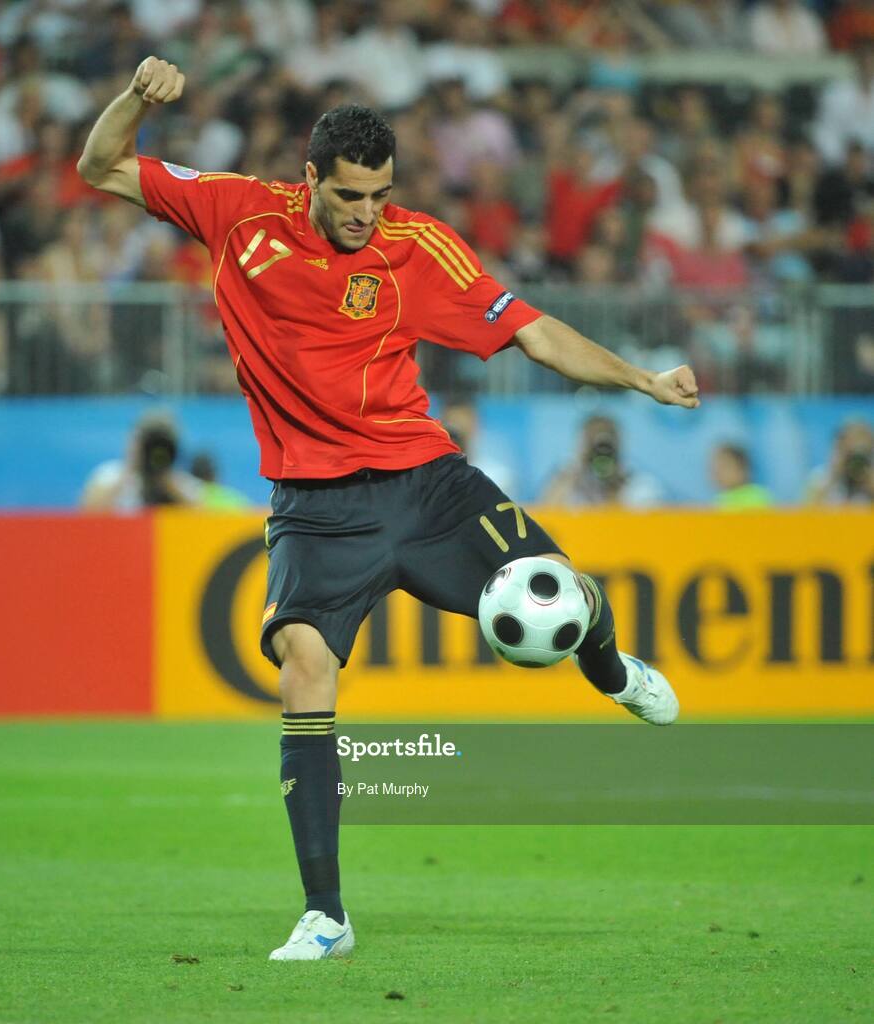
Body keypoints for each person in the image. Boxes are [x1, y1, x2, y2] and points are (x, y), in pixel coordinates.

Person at [77, 56, 701, 961]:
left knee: (560, 589)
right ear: (308, 182)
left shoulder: (418, 245)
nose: (364, 213)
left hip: (426, 484)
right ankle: (325, 914)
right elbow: (100, 165)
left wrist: (640, 377)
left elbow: (530, 329)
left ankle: (609, 672)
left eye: (378, 195)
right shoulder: (236, 211)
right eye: (347, 196)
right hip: (314, 503)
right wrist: (136, 97)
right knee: (302, 668)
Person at [80, 410, 202, 510]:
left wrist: (167, 482)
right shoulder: (108, 476)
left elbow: (209, 522)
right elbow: (88, 517)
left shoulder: (184, 484)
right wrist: (132, 466)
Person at [541, 415, 665, 507]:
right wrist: (576, 464)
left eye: (608, 440)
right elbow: (545, 517)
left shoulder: (641, 487)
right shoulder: (571, 485)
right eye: (592, 438)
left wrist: (615, 485)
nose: (601, 448)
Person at [805, 419, 874, 505]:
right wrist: (834, 476)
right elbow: (806, 513)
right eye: (850, 452)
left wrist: (870, 484)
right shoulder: (820, 479)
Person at [710, 443, 773, 510]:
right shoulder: (719, 501)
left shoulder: (758, 497)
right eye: (716, 468)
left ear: (743, 469)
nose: (718, 473)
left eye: (725, 467)